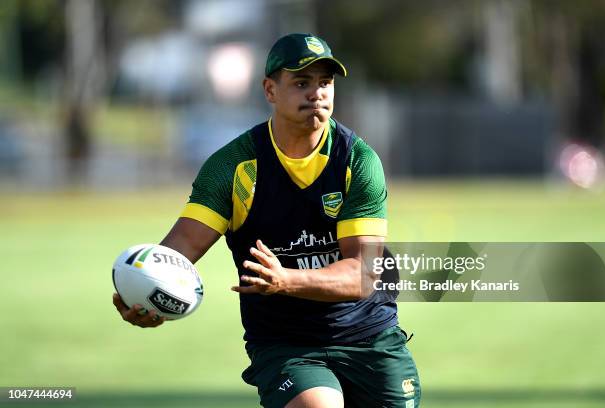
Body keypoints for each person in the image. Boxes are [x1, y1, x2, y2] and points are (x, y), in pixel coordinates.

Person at [113, 33, 420, 408]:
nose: (317, 93)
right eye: (302, 82)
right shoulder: (233, 167)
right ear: (270, 90)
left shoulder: (357, 161)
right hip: (286, 344)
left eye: (325, 83)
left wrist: (286, 280)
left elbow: (362, 274)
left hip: (368, 334)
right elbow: (180, 249)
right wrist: (146, 294)